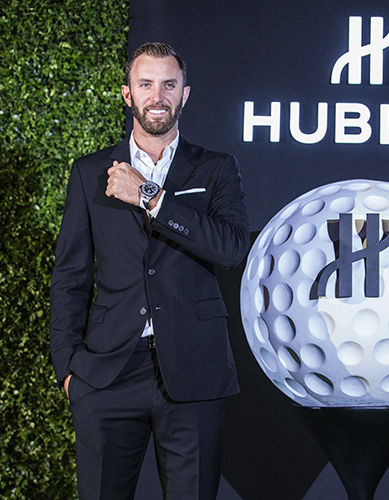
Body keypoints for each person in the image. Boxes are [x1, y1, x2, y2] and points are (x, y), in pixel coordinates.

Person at [50, 42, 250, 500]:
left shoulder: (216, 169)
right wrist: (68, 368)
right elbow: (70, 277)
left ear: (185, 94)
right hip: (106, 373)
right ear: (128, 94)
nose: (157, 97)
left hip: (194, 372)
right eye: (146, 84)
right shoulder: (90, 171)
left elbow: (231, 248)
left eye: (168, 85)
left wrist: (151, 197)